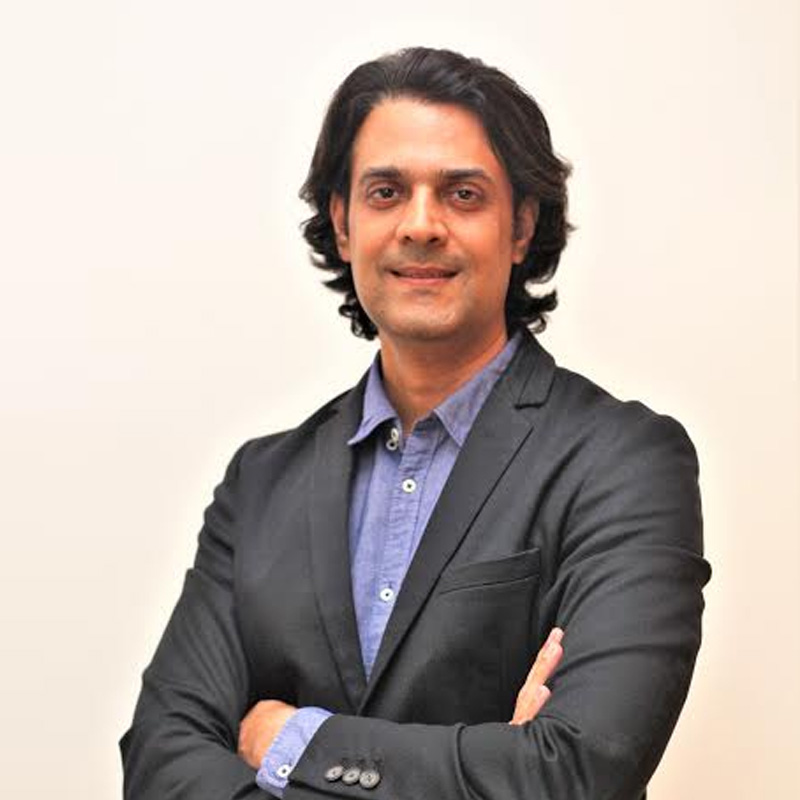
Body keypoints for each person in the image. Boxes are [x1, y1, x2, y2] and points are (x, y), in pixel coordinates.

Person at [121, 46, 711, 800]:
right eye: (386, 192)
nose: (422, 224)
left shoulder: (623, 462)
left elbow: (576, 772)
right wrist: (497, 761)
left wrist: (292, 741)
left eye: (463, 194)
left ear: (521, 226)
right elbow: (160, 762)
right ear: (342, 224)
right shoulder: (259, 483)